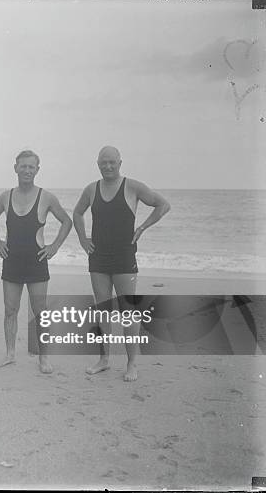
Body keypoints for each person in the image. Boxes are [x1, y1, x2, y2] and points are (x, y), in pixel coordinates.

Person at [72, 145, 170, 381]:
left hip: (125, 257)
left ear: (119, 162)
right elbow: (77, 213)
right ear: (97, 163)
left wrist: (143, 228)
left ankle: (132, 364)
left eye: (112, 162)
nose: (107, 166)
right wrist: (83, 239)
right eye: (103, 162)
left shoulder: (133, 187)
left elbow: (163, 205)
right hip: (98, 258)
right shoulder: (91, 189)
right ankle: (104, 360)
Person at [0, 150, 72, 374]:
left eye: (31, 167)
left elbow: (66, 221)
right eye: (23, 166)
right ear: (15, 168)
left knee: (40, 311)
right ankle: (10, 354)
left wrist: (54, 247)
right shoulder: (6, 196)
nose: (26, 170)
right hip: (12, 260)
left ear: (37, 170)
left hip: (36, 261)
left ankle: (44, 358)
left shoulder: (47, 197)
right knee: (10, 309)